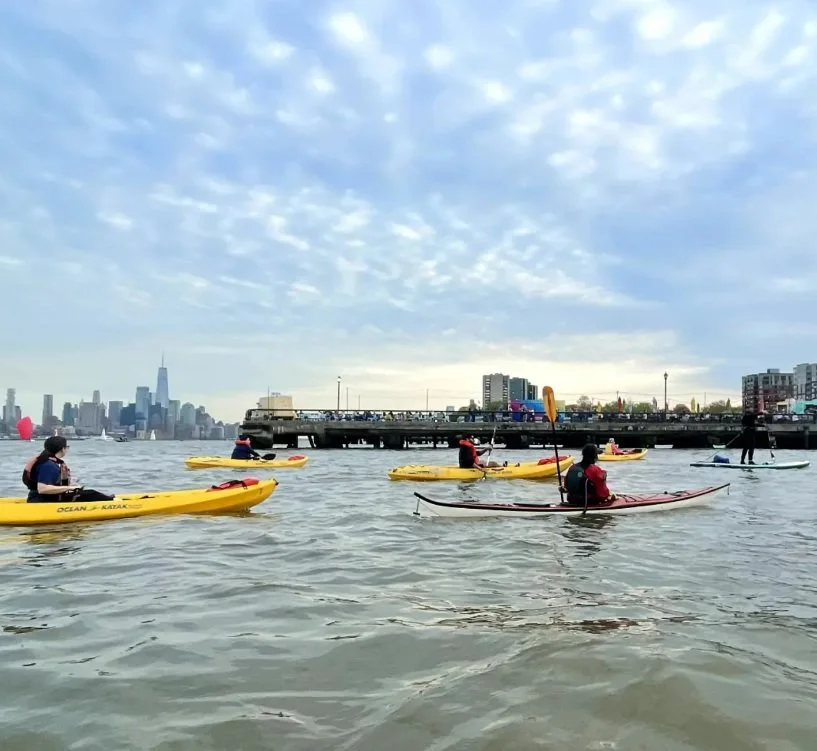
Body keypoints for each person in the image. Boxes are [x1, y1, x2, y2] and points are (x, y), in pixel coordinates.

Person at [22, 436, 113, 503]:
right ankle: (113, 502)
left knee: (88, 493)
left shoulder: (51, 462)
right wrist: (69, 488)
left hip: (46, 498)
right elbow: (42, 489)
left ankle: (110, 499)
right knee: (92, 494)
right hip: (43, 501)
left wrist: (72, 486)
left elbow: (52, 484)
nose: (67, 449)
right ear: (62, 449)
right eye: (66, 447)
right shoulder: (48, 465)